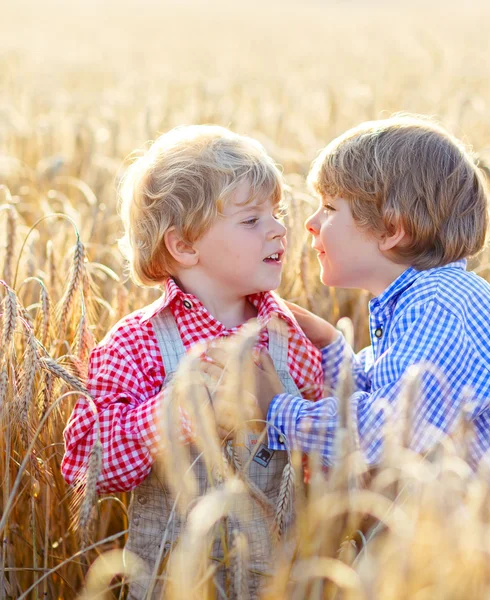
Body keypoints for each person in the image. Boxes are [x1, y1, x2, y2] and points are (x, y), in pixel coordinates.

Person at [204, 114, 490, 476]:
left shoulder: (440, 304)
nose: (310, 222)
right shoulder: (419, 300)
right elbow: (386, 387)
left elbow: (384, 434)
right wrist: (331, 347)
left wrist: (274, 408)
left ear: (390, 229)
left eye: (329, 208)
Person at [61, 125, 324, 598]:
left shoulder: (289, 337)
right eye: (251, 220)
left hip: (280, 584)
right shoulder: (135, 344)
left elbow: (323, 442)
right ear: (183, 245)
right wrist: (178, 414)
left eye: (277, 213)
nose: (280, 228)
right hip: (175, 583)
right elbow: (85, 464)